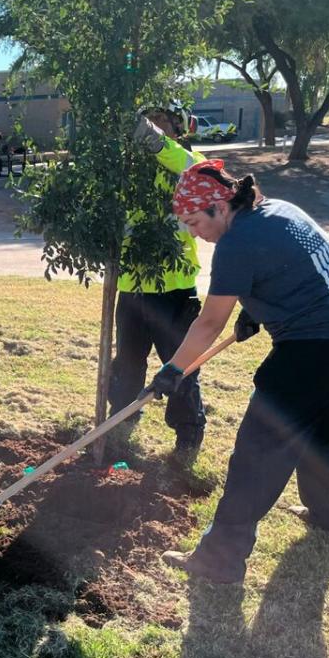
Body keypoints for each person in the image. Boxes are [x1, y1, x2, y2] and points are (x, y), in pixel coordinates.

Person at [149, 159, 329, 584]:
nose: (192, 233)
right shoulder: (281, 210)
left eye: (193, 221)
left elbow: (208, 323)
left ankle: (218, 562)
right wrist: (259, 312)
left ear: (220, 207)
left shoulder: (237, 242)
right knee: (323, 434)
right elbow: (299, 272)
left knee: (256, 458)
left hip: (316, 357)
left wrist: (173, 370)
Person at [106, 101, 207, 465]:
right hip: (131, 289)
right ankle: (120, 422)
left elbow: (188, 165)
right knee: (128, 364)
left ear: (178, 132)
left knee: (179, 367)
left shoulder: (191, 167)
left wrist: (158, 144)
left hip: (174, 292)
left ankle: (188, 435)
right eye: (149, 126)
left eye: (163, 127)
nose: (155, 132)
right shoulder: (129, 174)